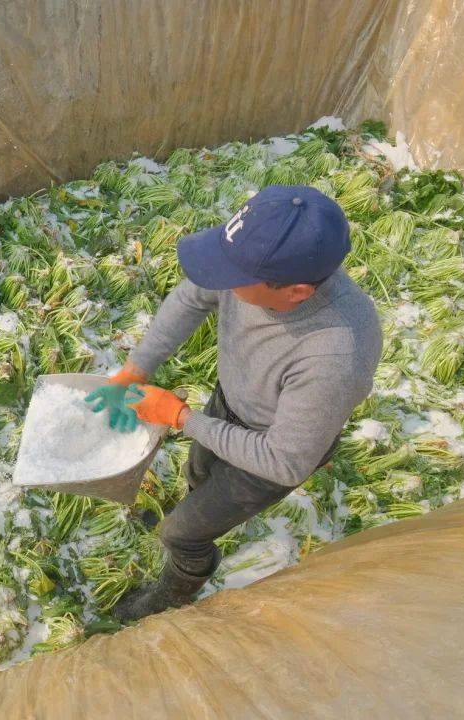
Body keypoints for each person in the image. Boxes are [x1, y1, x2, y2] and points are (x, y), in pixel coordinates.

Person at [85, 184, 382, 621]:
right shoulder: (255, 261)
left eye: (234, 280)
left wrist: (180, 417)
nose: (221, 281)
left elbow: (284, 462)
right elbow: (193, 295)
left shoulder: (335, 353)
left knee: (181, 534)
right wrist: (136, 368)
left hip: (271, 452)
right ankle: (196, 511)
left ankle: (178, 585)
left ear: (295, 292)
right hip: (232, 403)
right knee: (199, 471)